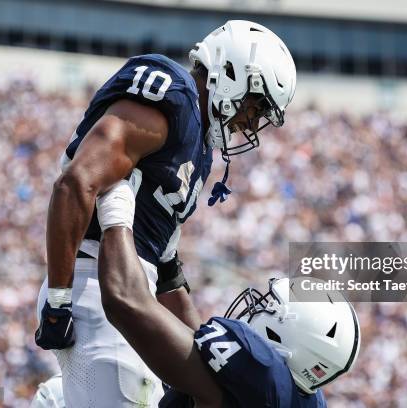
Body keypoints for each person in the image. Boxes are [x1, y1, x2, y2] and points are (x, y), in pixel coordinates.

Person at [34, 20, 297, 407]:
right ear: (231, 74)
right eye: (255, 106)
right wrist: (59, 298)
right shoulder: (172, 97)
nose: (251, 122)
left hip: (133, 295)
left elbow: (165, 275)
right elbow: (74, 183)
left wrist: (210, 354)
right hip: (99, 287)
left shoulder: (199, 143)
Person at [32, 179, 360, 407]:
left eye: (268, 308)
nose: (255, 308)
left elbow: (125, 302)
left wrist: (116, 215)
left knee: (57, 396)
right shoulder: (289, 391)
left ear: (291, 338)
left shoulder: (258, 385)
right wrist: (169, 267)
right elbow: (195, 341)